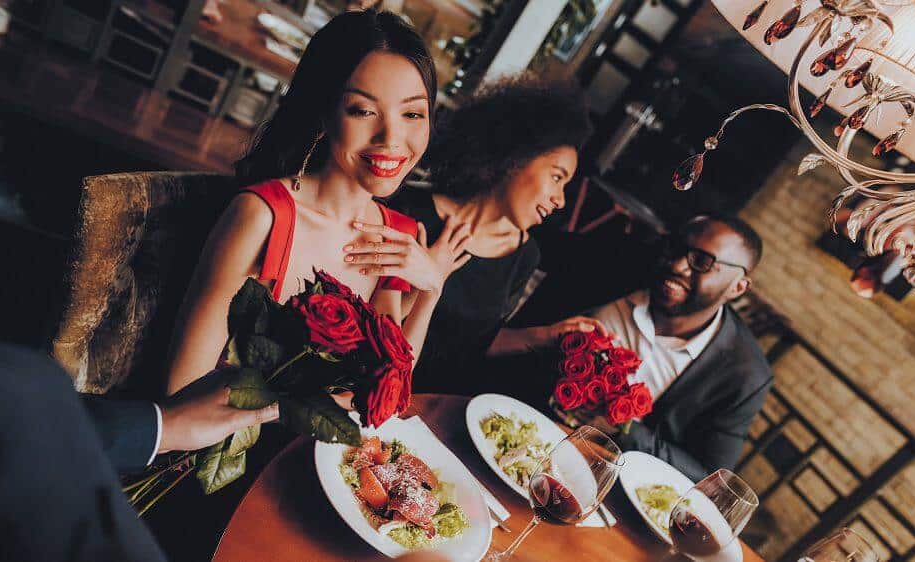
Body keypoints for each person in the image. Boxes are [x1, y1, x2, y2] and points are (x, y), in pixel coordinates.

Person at [166, 10, 469, 396]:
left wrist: (430, 291)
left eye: (412, 113)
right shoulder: (263, 217)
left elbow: (384, 392)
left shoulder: (395, 238)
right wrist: (320, 411)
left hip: (318, 452)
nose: (392, 137)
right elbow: (181, 388)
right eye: (362, 110)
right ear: (324, 112)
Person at [0, 335, 452, 562]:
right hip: (203, 478)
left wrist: (163, 427)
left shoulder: (11, 388)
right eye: (362, 107)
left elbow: (391, 380)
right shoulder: (5, 390)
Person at [366, 76, 604, 394]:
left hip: (437, 411)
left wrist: (546, 335)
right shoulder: (406, 207)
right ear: (516, 158)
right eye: (557, 177)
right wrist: (426, 281)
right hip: (369, 391)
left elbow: (474, 344)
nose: (560, 200)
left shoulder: (525, 255)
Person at [587, 215, 773, 481]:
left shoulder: (744, 373)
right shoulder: (617, 271)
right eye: (675, 248)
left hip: (620, 487)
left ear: (738, 287)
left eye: (702, 261)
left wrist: (622, 428)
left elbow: (709, 476)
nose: (676, 265)